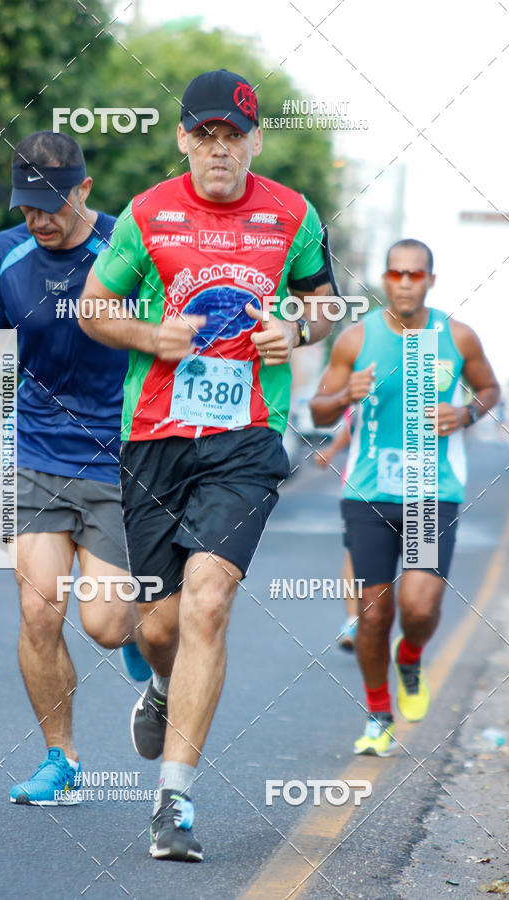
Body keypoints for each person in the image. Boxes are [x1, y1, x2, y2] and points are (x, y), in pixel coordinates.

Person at [80, 69, 337, 860]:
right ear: (183, 137)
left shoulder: (291, 212)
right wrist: (148, 336)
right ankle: (159, 682)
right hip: (155, 436)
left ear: (255, 140)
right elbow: (95, 306)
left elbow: (324, 300)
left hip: (247, 436)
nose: (220, 149)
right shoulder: (148, 214)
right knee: (157, 627)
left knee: (209, 601)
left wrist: (295, 330)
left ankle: (174, 802)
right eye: (206, 134)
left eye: (235, 136)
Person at [0, 130, 150, 805]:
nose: (39, 221)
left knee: (106, 626)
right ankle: (62, 760)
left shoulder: (129, 249)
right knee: (38, 610)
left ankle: (139, 642)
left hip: (117, 459)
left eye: (52, 205)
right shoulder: (7, 252)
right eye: (27, 207)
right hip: (37, 454)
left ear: (84, 190)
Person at [310, 239, 500, 756]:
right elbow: (320, 411)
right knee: (372, 614)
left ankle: (411, 657)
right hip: (368, 494)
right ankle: (378, 712)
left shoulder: (457, 336)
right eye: (396, 274)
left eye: (416, 275)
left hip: (429, 495)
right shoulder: (355, 340)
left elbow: (489, 389)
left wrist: (466, 414)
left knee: (418, 608)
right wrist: (344, 397)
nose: (405, 283)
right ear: (385, 280)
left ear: (430, 281)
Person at [313, 405, 358, 650]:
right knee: (355, 553)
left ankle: (409, 633)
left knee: (418, 567)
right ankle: (354, 621)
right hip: (363, 489)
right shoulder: (365, 375)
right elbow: (353, 425)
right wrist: (331, 451)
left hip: (424, 492)